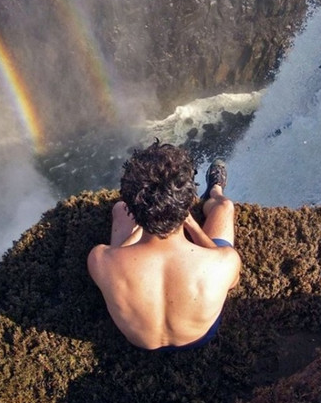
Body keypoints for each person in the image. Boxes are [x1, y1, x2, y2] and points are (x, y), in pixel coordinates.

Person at [87, 141, 241, 351]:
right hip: (200, 337)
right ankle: (214, 192)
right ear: (187, 204)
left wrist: (142, 225)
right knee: (225, 207)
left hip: (139, 342)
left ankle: (143, 209)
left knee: (119, 209)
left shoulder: (100, 259)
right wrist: (193, 226)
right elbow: (232, 283)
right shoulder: (224, 261)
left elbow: (117, 253)